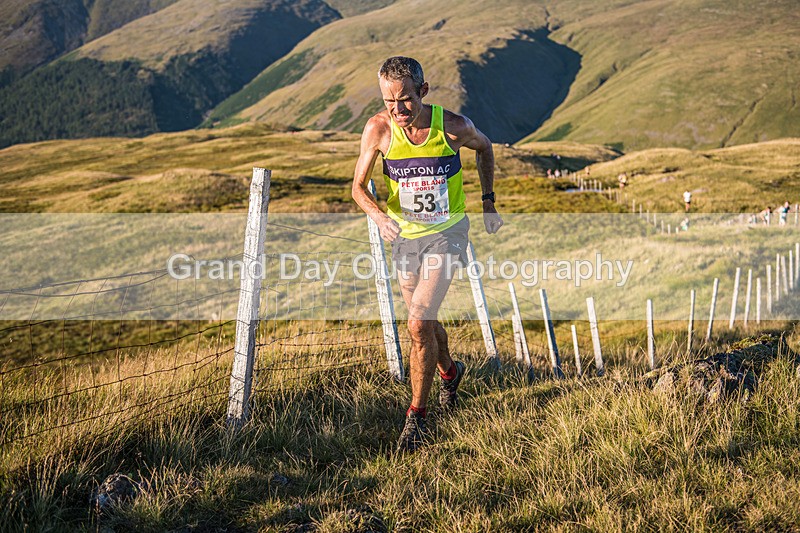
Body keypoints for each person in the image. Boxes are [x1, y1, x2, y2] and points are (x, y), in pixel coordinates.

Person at [351, 57, 503, 452]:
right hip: (405, 237)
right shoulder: (378, 130)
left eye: (405, 100)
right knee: (425, 321)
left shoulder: (453, 127)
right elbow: (357, 188)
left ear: (423, 91)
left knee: (417, 323)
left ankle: (416, 418)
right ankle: (450, 374)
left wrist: (488, 202)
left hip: (447, 233)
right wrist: (380, 217)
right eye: (389, 102)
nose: (398, 110)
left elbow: (485, 149)